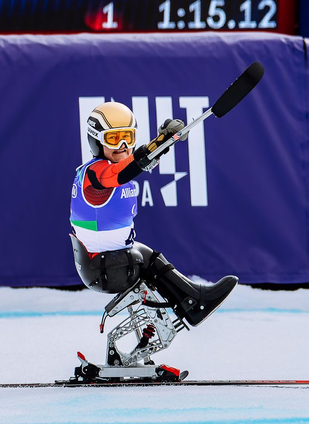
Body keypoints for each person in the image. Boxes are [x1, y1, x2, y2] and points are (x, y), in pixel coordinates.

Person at [70, 101, 238, 331]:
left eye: (128, 137)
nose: (122, 145)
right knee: (148, 259)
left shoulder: (109, 169)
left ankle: (190, 303)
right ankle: (193, 303)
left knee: (149, 256)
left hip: (106, 261)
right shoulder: (96, 172)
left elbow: (141, 163)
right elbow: (123, 171)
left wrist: (165, 141)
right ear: (95, 140)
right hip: (107, 268)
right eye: (113, 139)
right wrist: (156, 144)